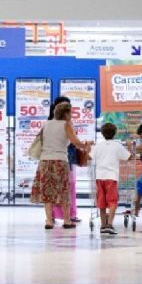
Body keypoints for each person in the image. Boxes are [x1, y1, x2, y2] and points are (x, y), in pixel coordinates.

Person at [32, 101, 88, 229]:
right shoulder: (65, 125)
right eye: (70, 113)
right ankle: (67, 220)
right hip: (60, 161)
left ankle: (49, 221)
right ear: (66, 113)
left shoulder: (46, 124)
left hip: (45, 161)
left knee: (47, 192)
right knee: (63, 191)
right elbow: (75, 142)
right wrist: (86, 146)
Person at [92, 123, 130, 235]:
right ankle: (110, 224)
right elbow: (128, 157)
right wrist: (129, 146)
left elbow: (90, 156)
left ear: (102, 134)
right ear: (115, 133)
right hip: (111, 177)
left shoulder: (98, 146)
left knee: (101, 201)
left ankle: (103, 225)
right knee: (112, 201)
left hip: (99, 176)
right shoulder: (117, 145)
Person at [49, 96, 81, 224]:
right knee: (56, 187)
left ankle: (71, 214)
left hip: (68, 157)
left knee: (70, 185)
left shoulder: (68, 122)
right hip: (59, 158)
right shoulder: (52, 123)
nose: (67, 109)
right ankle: (53, 215)